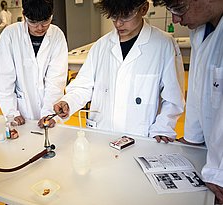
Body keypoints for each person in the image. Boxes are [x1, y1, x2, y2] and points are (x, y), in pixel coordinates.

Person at [54, 0, 185, 143]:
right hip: (101, 134)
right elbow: (83, 86)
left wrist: (163, 128)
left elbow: (173, 97)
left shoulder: (163, 44)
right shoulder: (100, 46)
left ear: (144, 9)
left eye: (126, 16)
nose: (118, 23)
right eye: (114, 16)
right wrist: (69, 102)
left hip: (141, 137)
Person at [151, 0, 223, 203]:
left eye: (180, 9)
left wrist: (219, 172)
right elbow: (199, 90)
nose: (175, 19)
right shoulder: (201, 30)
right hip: (209, 153)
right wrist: (193, 137)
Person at [0, 0, 68, 128]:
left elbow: (56, 80)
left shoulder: (57, 35)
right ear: (24, 16)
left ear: (52, 15)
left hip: (50, 108)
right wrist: (11, 112)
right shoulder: (10, 36)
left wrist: (49, 114)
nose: (40, 28)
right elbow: (4, 80)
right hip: (20, 112)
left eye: (45, 21)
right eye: (33, 22)